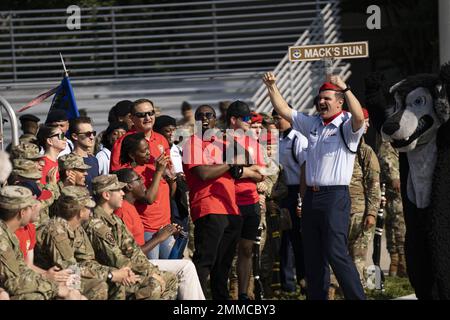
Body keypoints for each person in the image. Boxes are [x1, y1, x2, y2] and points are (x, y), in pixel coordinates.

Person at [263, 72, 366, 300]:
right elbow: (284, 111)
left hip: (334, 197)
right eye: (319, 99)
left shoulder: (347, 126)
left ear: (340, 102)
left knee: (336, 253)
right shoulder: (313, 124)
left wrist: (346, 88)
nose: (321, 102)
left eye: (327, 98)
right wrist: (272, 86)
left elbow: (359, 117)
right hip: (311, 197)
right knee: (313, 256)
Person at [84, 174, 179, 300]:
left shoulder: (116, 220)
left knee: (170, 278)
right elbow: (116, 259)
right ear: (106, 195)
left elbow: (134, 251)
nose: (123, 193)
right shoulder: (96, 224)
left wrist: (153, 271)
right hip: (111, 276)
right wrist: (150, 274)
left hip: (127, 270)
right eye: (118, 190)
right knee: (153, 286)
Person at [183, 104, 242, 299]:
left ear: (216, 119)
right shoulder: (191, 143)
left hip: (231, 208)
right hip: (208, 207)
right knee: (205, 261)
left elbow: (247, 158)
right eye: (200, 115)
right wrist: (230, 162)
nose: (205, 118)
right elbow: (204, 173)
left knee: (223, 264)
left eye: (209, 115)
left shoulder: (223, 142)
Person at [34, 186, 136, 300]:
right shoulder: (56, 230)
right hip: (51, 282)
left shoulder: (77, 228)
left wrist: (115, 273)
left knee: (116, 283)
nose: (91, 210)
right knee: (99, 286)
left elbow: (87, 261)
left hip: (69, 277)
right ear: (81, 212)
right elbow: (70, 268)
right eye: (88, 207)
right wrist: (110, 275)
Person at [0, 186, 85, 300]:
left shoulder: (9, 235)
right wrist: (53, 286)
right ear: (22, 212)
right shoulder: (2, 240)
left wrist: (47, 278)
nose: (35, 207)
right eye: (31, 206)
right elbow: (12, 283)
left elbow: (22, 269)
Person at [329, 108, 380, 296]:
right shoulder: (336, 148)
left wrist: (372, 212)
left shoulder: (366, 152)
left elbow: (373, 185)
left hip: (359, 214)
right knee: (334, 259)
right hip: (336, 211)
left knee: (357, 261)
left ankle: (355, 294)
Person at [225, 100, 265, 300]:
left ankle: (243, 293)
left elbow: (261, 174)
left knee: (247, 249)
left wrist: (241, 170)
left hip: (251, 201)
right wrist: (244, 171)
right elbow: (226, 171)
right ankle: (224, 293)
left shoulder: (253, 143)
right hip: (229, 202)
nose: (250, 121)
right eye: (247, 118)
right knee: (227, 250)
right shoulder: (221, 140)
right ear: (233, 120)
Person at [272, 105, 308, 296]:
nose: (277, 121)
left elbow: (304, 169)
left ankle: (304, 280)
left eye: (280, 117)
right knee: (283, 240)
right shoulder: (276, 140)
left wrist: (301, 199)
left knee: (298, 239)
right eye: (275, 118)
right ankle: (287, 284)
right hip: (281, 193)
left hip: (295, 192)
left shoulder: (298, 139)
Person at [119, 132, 174, 259]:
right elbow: (149, 199)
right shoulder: (131, 175)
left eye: (148, 149)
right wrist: (158, 172)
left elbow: (169, 194)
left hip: (165, 226)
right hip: (148, 230)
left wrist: (171, 178)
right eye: (144, 151)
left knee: (171, 270)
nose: (149, 153)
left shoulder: (152, 166)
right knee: (153, 270)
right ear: (132, 155)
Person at [377, 140, 407, 277]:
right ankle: (399, 262)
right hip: (394, 190)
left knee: (395, 224)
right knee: (398, 224)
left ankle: (397, 264)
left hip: (394, 191)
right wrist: (395, 178)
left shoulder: (398, 143)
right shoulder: (388, 144)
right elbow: (386, 161)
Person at [69, 117, 99, 192]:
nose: (92, 137)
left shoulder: (94, 160)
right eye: (88, 134)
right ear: (75, 136)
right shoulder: (68, 161)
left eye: (93, 133)